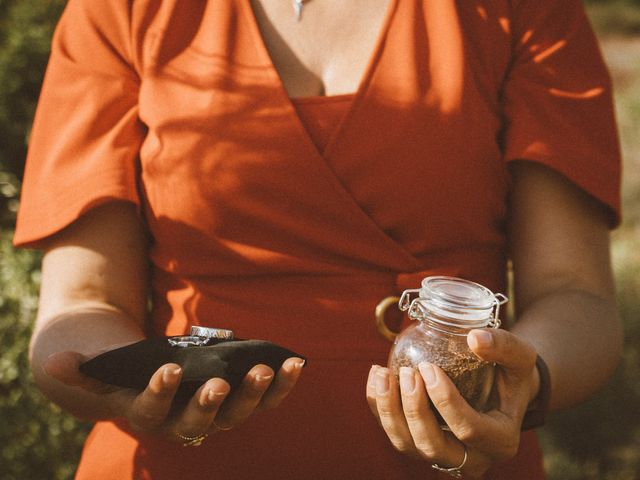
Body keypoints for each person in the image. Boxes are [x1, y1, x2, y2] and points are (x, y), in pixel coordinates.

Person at [14, 0, 623, 478]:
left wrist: (520, 384)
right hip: (179, 463)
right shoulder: (121, 7)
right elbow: (81, 304)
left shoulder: (522, 8)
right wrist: (122, 384)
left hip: (452, 459)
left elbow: (577, 295)